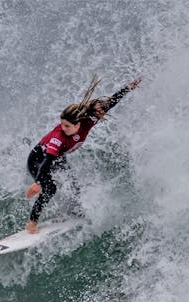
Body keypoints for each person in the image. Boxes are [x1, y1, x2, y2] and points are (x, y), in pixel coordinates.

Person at [25, 75, 141, 233]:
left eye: (67, 126)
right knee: (50, 188)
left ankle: (75, 212)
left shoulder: (89, 121)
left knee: (73, 185)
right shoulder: (58, 138)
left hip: (58, 157)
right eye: (62, 124)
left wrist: (128, 88)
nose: (63, 128)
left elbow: (111, 102)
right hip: (38, 160)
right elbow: (47, 161)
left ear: (78, 124)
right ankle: (32, 222)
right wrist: (38, 183)